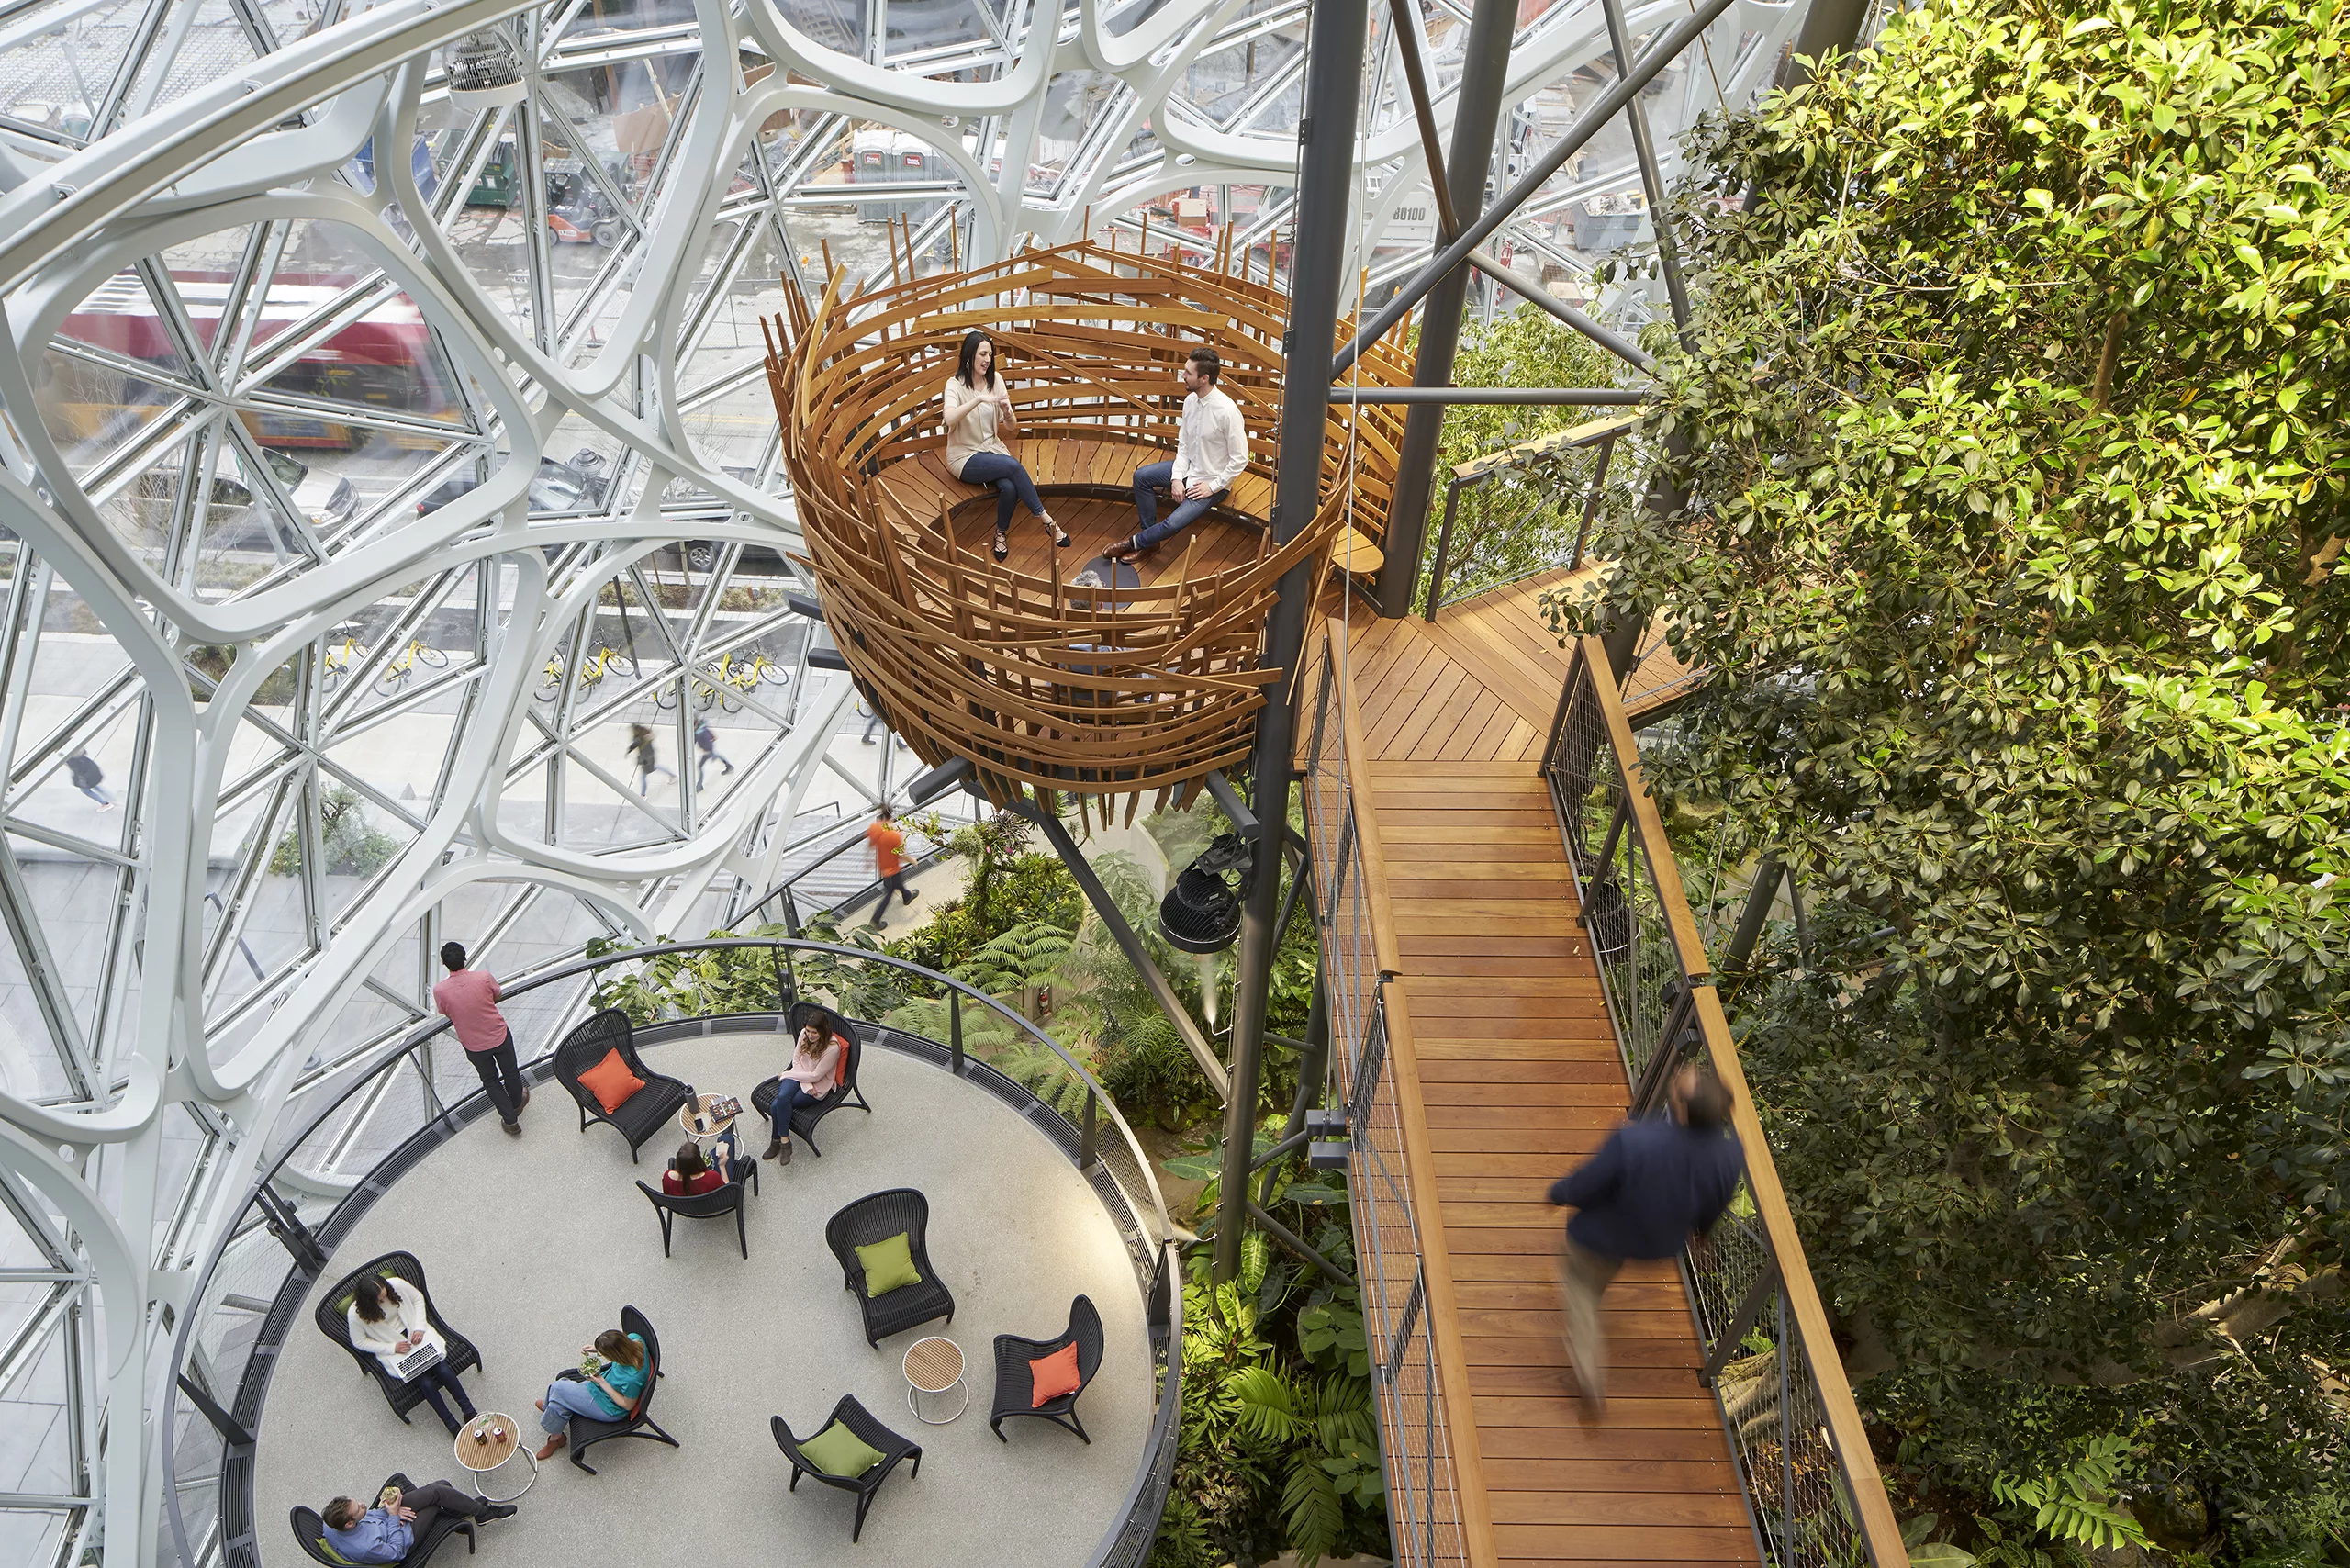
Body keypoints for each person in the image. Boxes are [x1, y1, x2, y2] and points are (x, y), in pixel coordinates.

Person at [1545, 1065, 1743, 1418]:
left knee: (1581, 1291)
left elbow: (1590, 1183)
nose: (1679, 1074)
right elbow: (1712, 1206)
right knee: (1602, 1272)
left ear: (1681, 1110)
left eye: (1683, 1082)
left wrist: (1559, 1193)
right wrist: (1700, 1237)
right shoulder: (1729, 1158)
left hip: (1602, 1235)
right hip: (1656, 1243)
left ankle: (1589, 1372)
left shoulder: (1635, 1141)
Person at [942, 329, 1071, 563]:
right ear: (970, 355)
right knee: (1012, 466)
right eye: (983, 354)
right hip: (965, 456)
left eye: (990, 355)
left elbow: (1011, 426)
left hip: (992, 450)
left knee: (1010, 488)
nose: (987, 360)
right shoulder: (954, 385)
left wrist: (1008, 412)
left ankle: (1000, 533)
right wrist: (978, 399)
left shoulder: (996, 380)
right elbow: (949, 419)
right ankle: (1047, 521)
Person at [1109, 347, 1248, 560]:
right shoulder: (1190, 401)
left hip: (1211, 483)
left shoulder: (1227, 412)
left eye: (1188, 373)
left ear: (1204, 379)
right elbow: (1184, 445)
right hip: (1188, 470)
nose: (1182, 376)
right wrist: (1176, 478)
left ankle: (1137, 542)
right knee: (1141, 477)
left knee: (1173, 523)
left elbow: (1240, 459)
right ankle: (1150, 543)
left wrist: (1212, 487)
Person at [346, 1274, 478, 1435]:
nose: (384, 1299)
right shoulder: (355, 1314)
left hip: (417, 1337)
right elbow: (359, 1342)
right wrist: (392, 1348)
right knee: (426, 1384)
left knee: (443, 1370)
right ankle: (451, 1424)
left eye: (385, 1293)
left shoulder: (395, 1284)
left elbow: (417, 1298)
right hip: (395, 1350)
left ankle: (468, 1410)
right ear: (369, 1301)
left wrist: (418, 1327)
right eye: (380, 1300)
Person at [433, 941, 528, 1137]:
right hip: (498, 1034)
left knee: (490, 1081)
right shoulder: (483, 977)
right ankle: (518, 1103)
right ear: (465, 957)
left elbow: (445, 1012)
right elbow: (498, 995)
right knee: (510, 1071)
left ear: (444, 963)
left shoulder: (440, 990)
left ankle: (510, 1121)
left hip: (474, 1045)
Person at [319, 1481, 512, 1562]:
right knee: (439, 1494)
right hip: (404, 1540)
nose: (363, 1505)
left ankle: (467, 1511)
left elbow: (370, 1518)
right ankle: (483, 1513)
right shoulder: (366, 1548)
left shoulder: (330, 1523)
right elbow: (396, 1553)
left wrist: (388, 1511)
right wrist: (394, 1517)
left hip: (389, 1521)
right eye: (359, 1508)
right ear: (350, 1524)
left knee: (442, 1486)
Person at [533, 1327, 650, 1462]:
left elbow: (627, 1405)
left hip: (608, 1405)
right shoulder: (635, 1339)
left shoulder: (631, 1379)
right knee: (558, 1399)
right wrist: (597, 1349)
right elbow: (618, 1344)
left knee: (559, 1388)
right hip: (601, 1389)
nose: (601, 1356)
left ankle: (553, 1430)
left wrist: (601, 1382)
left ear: (616, 1355)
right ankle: (556, 1436)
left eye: (604, 1355)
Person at [762, 1020, 844, 1164]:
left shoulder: (832, 1048)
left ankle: (777, 1141)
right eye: (808, 1031)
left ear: (823, 1031)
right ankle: (784, 1141)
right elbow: (796, 1059)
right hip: (800, 1075)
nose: (810, 1035)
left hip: (817, 1087)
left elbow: (816, 1076)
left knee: (776, 1105)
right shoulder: (804, 1034)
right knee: (782, 1097)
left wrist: (788, 1075)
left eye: (814, 1032)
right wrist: (805, 1083)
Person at [864, 806, 917, 930]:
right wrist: (912, 860)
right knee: (889, 893)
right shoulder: (894, 835)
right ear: (891, 816)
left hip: (883, 868)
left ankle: (907, 896)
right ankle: (875, 919)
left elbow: (870, 844)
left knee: (898, 883)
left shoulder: (875, 828)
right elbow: (901, 855)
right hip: (892, 869)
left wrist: (868, 861)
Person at [661, 1138, 747, 1195]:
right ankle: (727, 1132)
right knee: (728, 1139)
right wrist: (722, 1166)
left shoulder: (668, 1177)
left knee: (718, 1148)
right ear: (698, 1160)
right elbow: (728, 1191)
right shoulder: (711, 1177)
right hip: (715, 1203)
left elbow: (668, 1194)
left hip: (688, 1207)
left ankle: (725, 1135)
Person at [627, 723, 675, 794]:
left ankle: (643, 795)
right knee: (655, 768)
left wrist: (643, 762)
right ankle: (672, 775)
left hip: (647, 759)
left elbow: (636, 745)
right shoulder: (641, 737)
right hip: (647, 758)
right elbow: (634, 745)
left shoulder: (642, 740)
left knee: (643, 778)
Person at [693, 717, 734, 786]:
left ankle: (699, 785)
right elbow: (713, 737)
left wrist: (706, 750)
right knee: (715, 754)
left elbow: (699, 741)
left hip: (707, 750)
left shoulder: (700, 733)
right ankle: (729, 766)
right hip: (708, 749)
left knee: (700, 766)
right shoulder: (702, 728)